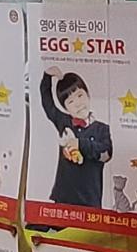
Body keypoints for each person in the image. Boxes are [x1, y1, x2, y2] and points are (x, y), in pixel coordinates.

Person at [38, 70, 111, 207]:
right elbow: (48, 104)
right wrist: (47, 77)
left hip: (89, 201)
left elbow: (106, 154)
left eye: (80, 95)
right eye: (70, 101)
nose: (78, 104)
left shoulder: (102, 129)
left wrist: (80, 144)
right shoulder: (64, 121)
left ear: (88, 95)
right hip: (63, 198)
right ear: (65, 108)